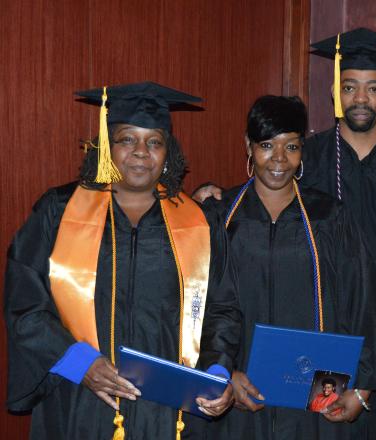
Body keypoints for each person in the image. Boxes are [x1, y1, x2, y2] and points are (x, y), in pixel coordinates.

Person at [193, 28, 376, 438]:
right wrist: (213, 194)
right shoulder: (309, 157)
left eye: (373, 89)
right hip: (328, 331)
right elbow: (265, 187)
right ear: (335, 94)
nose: (360, 99)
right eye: (349, 87)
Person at [4, 82, 240, 439]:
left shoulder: (199, 222)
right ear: (106, 148)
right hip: (81, 401)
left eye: (154, 141)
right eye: (127, 139)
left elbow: (221, 309)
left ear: (167, 153)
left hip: (168, 409)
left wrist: (217, 374)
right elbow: (25, 303)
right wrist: (79, 364)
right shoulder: (58, 212)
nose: (141, 152)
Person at [201, 95, 376, 440]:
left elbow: (363, 300)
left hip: (317, 393)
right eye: (267, 145)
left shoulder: (330, 216)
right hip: (242, 393)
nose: (279, 159)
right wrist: (221, 371)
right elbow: (206, 305)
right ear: (248, 146)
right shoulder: (222, 217)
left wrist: (363, 387)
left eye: (291, 146)